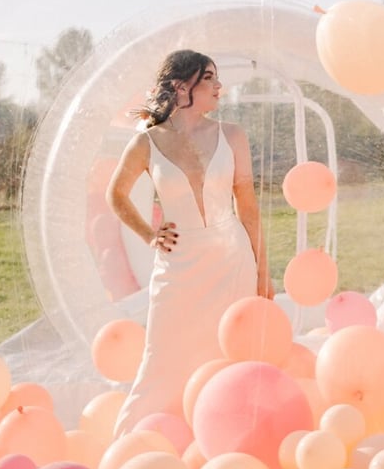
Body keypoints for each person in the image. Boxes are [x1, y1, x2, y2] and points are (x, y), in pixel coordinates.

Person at [106, 49, 273, 436]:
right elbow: (116, 195)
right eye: (209, 78)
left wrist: (264, 273)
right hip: (179, 267)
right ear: (183, 87)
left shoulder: (232, 135)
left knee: (232, 356)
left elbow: (247, 208)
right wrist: (150, 235)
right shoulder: (147, 143)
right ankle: (131, 445)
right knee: (161, 358)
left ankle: (233, 439)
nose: (219, 86)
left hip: (233, 262)